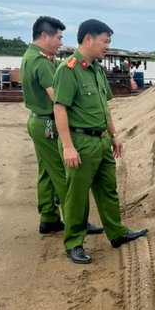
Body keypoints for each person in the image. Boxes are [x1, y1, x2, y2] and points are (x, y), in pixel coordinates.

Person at [52, 18, 149, 264]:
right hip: (80, 141)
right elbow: (60, 108)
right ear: (88, 39)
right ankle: (74, 242)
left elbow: (104, 107)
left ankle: (116, 232)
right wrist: (68, 146)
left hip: (101, 140)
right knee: (77, 195)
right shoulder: (69, 69)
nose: (107, 46)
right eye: (105, 41)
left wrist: (114, 136)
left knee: (108, 189)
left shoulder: (96, 69)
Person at [21, 16, 104, 236]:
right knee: (63, 175)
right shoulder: (41, 61)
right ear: (44, 35)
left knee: (46, 172)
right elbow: (56, 97)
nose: (60, 43)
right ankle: (76, 223)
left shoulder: (31, 56)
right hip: (47, 123)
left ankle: (48, 216)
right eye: (58, 38)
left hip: (37, 121)